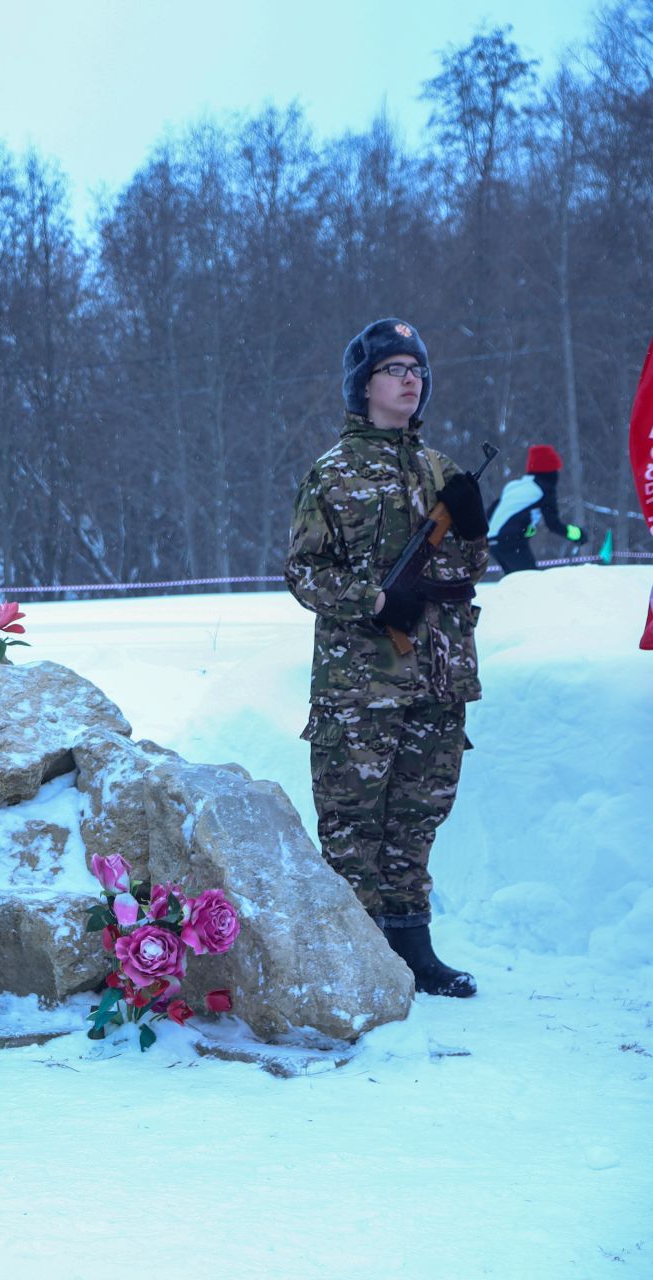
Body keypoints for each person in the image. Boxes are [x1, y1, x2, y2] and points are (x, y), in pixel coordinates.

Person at [284, 319, 490, 999]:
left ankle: (413, 949)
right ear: (363, 384)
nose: (411, 380)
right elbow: (304, 572)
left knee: (417, 820)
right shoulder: (332, 473)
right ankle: (356, 960)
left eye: (417, 369)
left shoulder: (441, 471)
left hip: (438, 676)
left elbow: (467, 572)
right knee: (353, 826)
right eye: (394, 369)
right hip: (360, 686)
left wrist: (473, 527)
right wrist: (372, 599)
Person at [486, 445, 584, 574]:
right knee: (530, 580)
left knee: (518, 581)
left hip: (492, 541)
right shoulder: (544, 489)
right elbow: (553, 524)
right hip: (511, 542)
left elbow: (490, 513)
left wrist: (523, 528)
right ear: (551, 471)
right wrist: (578, 534)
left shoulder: (514, 486)